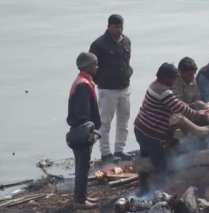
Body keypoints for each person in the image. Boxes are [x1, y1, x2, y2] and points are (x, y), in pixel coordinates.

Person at [134, 63, 207, 195]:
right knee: (161, 163)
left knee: (146, 160)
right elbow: (180, 108)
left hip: (140, 128)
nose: (174, 81)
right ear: (165, 77)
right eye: (173, 78)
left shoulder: (154, 85)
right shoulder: (164, 91)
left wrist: (191, 107)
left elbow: (176, 105)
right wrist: (199, 114)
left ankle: (144, 190)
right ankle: (161, 194)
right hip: (151, 133)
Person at [89, 14, 134, 161]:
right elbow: (91, 67)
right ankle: (105, 153)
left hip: (124, 87)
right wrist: (100, 81)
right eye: (115, 27)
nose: (118, 30)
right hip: (107, 89)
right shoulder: (99, 45)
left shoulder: (126, 41)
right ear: (108, 27)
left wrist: (128, 74)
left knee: (124, 120)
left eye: (120, 27)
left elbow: (127, 61)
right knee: (104, 122)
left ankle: (120, 150)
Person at [67, 52, 101, 209]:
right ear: (87, 66)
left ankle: (82, 195)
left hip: (79, 130)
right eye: (95, 64)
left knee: (82, 165)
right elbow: (83, 114)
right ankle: (79, 201)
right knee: (82, 167)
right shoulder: (83, 85)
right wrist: (91, 129)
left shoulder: (83, 81)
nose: (97, 67)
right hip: (82, 131)